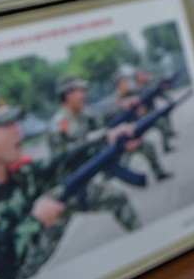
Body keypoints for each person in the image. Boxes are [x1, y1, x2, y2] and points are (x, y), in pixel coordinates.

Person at [0, 93, 132, 279]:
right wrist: (35, 221)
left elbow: (61, 162)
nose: (17, 130)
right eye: (7, 125)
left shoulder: (19, 174)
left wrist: (108, 141)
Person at [49, 75, 140, 231]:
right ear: (68, 94)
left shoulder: (79, 114)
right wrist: (106, 138)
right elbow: (72, 153)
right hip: (70, 187)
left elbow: (102, 117)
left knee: (118, 199)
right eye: (80, 91)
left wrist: (123, 106)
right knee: (47, 235)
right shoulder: (61, 124)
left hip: (81, 178)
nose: (84, 94)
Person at [107, 64, 173, 179]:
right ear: (118, 85)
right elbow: (110, 119)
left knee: (148, 147)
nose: (127, 84)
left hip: (133, 131)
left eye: (126, 81)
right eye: (124, 82)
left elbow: (144, 95)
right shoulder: (114, 102)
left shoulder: (132, 93)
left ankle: (159, 173)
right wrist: (122, 106)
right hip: (120, 139)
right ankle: (107, 178)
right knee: (119, 164)